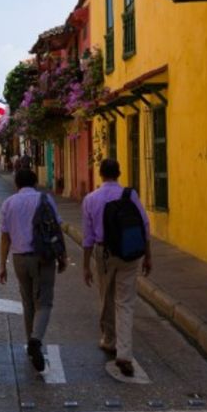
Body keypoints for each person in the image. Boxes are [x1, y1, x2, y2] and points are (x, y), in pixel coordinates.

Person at [81, 158, 152, 377]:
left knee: (106, 296)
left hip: (104, 253)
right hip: (130, 253)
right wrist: (148, 256)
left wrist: (86, 265)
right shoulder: (130, 195)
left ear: (100, 174)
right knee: (126, 302)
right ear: (119, 173)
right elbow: (145, 225)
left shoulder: (91, 199)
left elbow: (88, 237)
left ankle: (109, 339)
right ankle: (124, 353)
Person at [0, 168, 67, 371]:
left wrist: (2, 264)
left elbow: (5, 237)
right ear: (35, 182)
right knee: (44, 303)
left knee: (28, 303)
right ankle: (36, 341)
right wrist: (62, 255)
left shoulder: (9, 203)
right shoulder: (45, 200)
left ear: (16, 183)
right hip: (44, 256)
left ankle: (31, 344)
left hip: (20, 258)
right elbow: (56, 228)